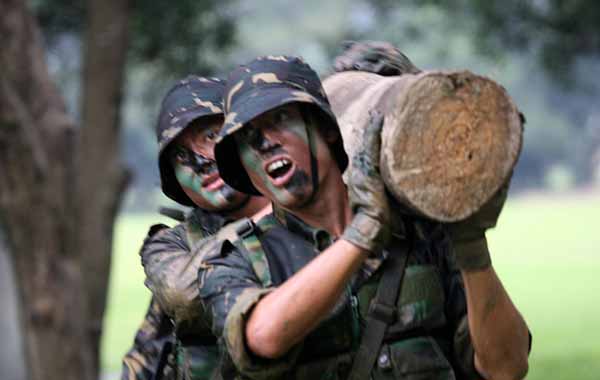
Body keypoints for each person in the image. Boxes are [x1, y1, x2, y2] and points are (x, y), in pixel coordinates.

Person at [199, 55, 531, 379]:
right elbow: (263, 337)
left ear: (326, 129)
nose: (263, 144)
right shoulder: (231, 257)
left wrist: (471, 243)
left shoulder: (425, 236)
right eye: (245, 138)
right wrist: (363, 233)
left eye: (280, 118)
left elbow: (507, 368)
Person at [120, 75, 269, 380]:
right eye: (180, 155)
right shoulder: (173, 247)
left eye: (211, 136)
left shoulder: (311, 214)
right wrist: (266, 218)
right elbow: (183, 296)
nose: (200, 162)